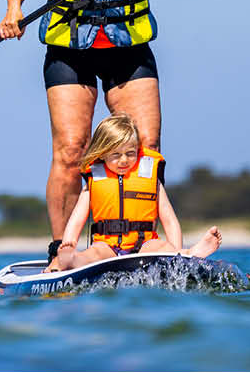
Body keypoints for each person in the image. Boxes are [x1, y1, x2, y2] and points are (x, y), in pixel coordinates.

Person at [0, 0, 198, 268]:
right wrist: (13, 9)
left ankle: (143, 242)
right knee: (71, 153)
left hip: (129, 49)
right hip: (72, 51)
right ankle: (62, 250)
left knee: (145, 149)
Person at [48, 113, 221, 272]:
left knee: (160, 248)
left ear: (137, 151)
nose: (124, 160)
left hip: (144, 244)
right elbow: (77, 219)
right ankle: (70, 259)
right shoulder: (94, 180)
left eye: (130, 153)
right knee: (92, 255)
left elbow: (170, 220)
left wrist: (174, 250)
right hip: (107, 246)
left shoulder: (150, 178)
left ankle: (187, 253)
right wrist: (68, 244)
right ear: (102, 153)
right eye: (115, 154)